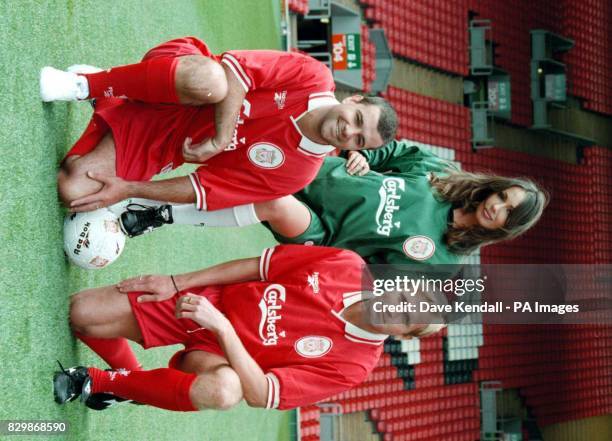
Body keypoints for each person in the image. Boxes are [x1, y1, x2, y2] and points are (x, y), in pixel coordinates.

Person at [53, 245, 443, 412]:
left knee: (225, 392)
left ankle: (99, 382)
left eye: (408, 318)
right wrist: (176, 281)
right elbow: (259, 266)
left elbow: (261, 394)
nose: (398, 308)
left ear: (404, 335)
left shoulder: (354, 365)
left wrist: (223, 330)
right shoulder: (345, 264)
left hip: (219, 356)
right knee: (81, 313)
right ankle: (135, 382)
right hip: (207, 302)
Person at [41, 37, 397, 216]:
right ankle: (85, 85)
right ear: (355, 100)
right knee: (211, 81)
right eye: (358, 121)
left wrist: (129, 190)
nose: (349, 133)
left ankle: (113, 98)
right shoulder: (313, 77)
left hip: (165, 141)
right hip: (183, 79)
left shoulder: (299, 173)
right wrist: (222, 136)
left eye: (360, 140)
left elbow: (205, 189)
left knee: (75, 188)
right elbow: (234, 69)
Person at [120, 140, 549, 268]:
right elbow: (395, 150)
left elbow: (371, 271)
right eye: (504, 197)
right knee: (247, 152)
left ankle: (152, 213)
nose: (499, 207)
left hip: (322, 232)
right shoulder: (442, 174)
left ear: (507, 229)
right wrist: (366, 157)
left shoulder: (444, 259)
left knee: (273, 200)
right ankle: (143, 151)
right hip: (323, 173)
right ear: (494, 187)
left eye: (509, 212)